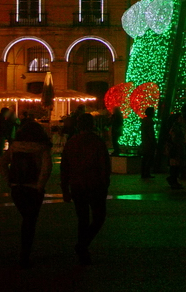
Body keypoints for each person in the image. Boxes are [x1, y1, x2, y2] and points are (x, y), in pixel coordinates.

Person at [0, 116, 52, 268]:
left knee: (27, 219)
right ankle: (25, 254)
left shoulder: (15, 147)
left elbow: (1, 162)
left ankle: (25, 253)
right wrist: (40, 185)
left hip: (17, 187)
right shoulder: (42, 148)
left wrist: (8, 180)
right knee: (30, 221)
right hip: (34, 188)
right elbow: (46, 168)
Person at [60, 112, 111, 264]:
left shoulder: (72, 142)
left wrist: (65, 188)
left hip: (77, 185)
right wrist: (105, 183)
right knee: (99, 217)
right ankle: (83, 245)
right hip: (95, 184)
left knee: (82, 219)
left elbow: (65, 167)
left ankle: (82, 246)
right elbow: (104, 166)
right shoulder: (97, 142)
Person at [165, 112, 185, 190]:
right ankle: (173, 180)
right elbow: (174, 138)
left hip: (176, 148)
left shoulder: (177, 127)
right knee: (175, 165)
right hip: (175, 149)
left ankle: (174, 180)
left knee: (176, 165)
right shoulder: (176, 127)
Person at [140, 106, 157, 180]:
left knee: (145, 158)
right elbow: (151, 133)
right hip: (149, 143)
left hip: (145, 142)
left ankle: (144, 173)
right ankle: (147, 173)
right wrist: (153, 142)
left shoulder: (144, 121)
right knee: (149, 158)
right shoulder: (149, 122)